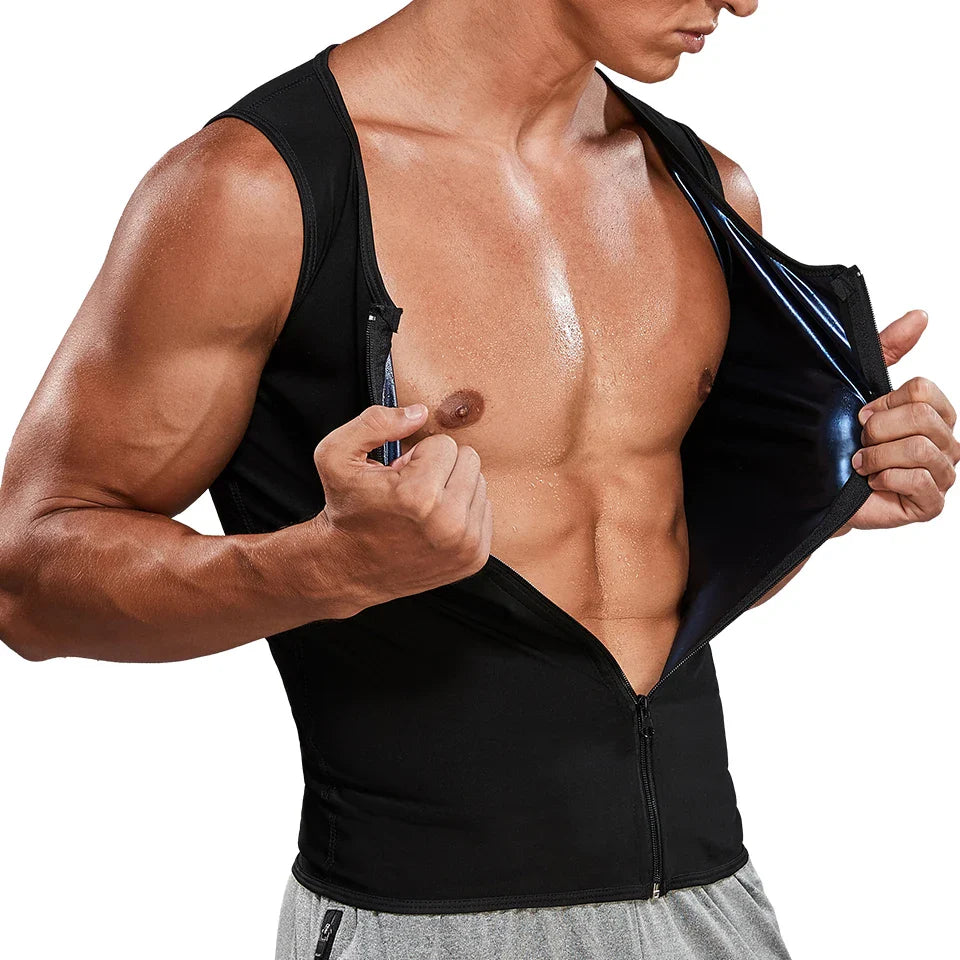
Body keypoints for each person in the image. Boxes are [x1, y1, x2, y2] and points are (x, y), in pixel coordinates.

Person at [1, 2, 957, 958]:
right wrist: (322, 569)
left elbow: (637, 582)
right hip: (425, 919)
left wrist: (819, 494)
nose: (744, 1)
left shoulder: (703, 190)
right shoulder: (255, 191)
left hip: (712, 906)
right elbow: (26, 580)